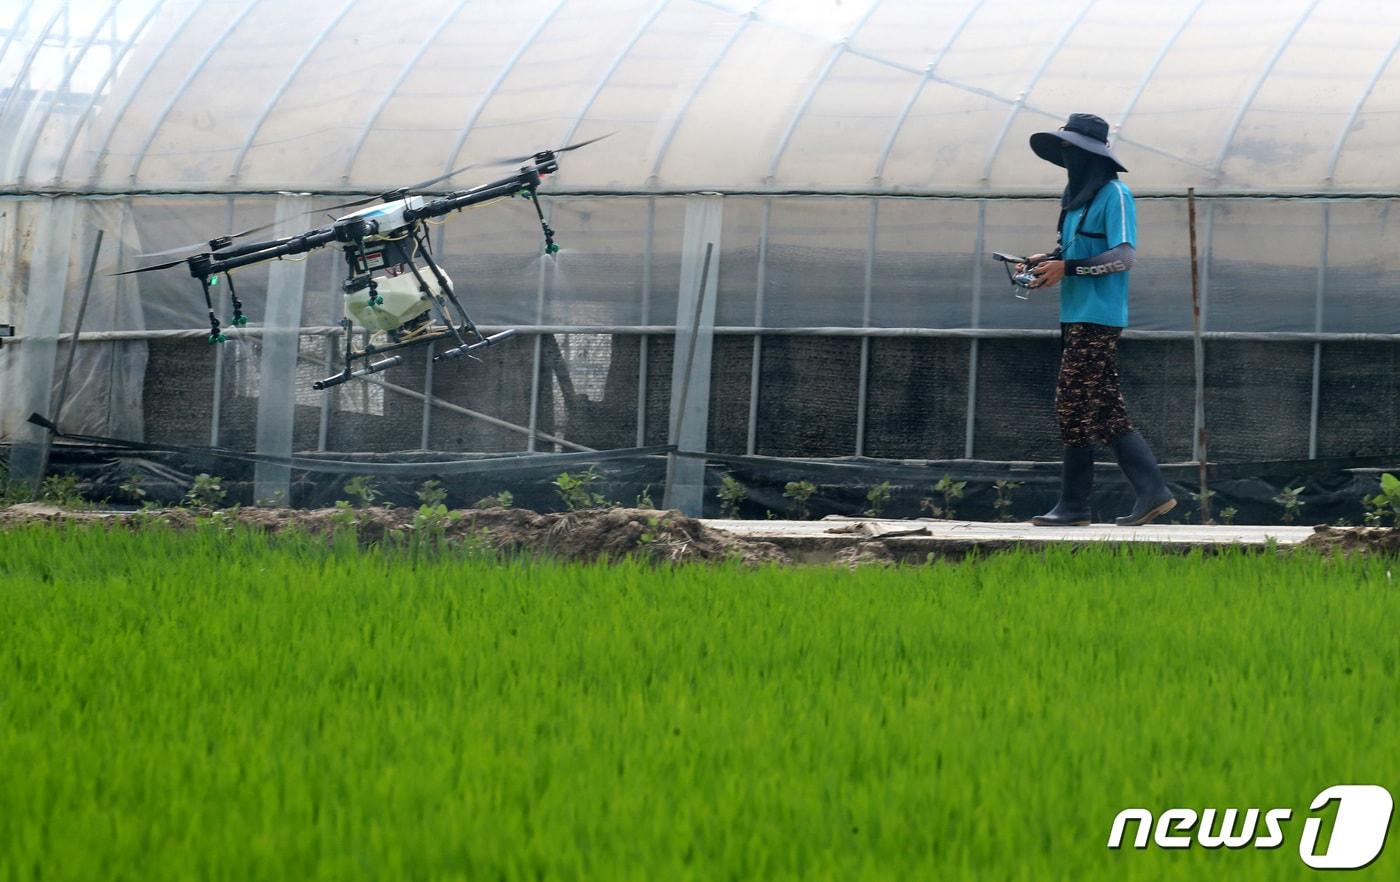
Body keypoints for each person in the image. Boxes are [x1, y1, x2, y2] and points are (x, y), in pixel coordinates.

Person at [1019, 113, 1175, 527]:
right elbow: (1069, 251)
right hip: (1074, 315)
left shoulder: (1115, 195)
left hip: (1098, 318)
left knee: (1072, 403)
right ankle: (1153, 492)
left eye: (1073, 149)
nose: (1067, 158)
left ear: (1092, 154)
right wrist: (1045, 261)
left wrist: (1067, 269)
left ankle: (1073, 505)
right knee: (1106, 410)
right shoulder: (1074, 201)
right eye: (1063, 150)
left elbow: (1123, 257)